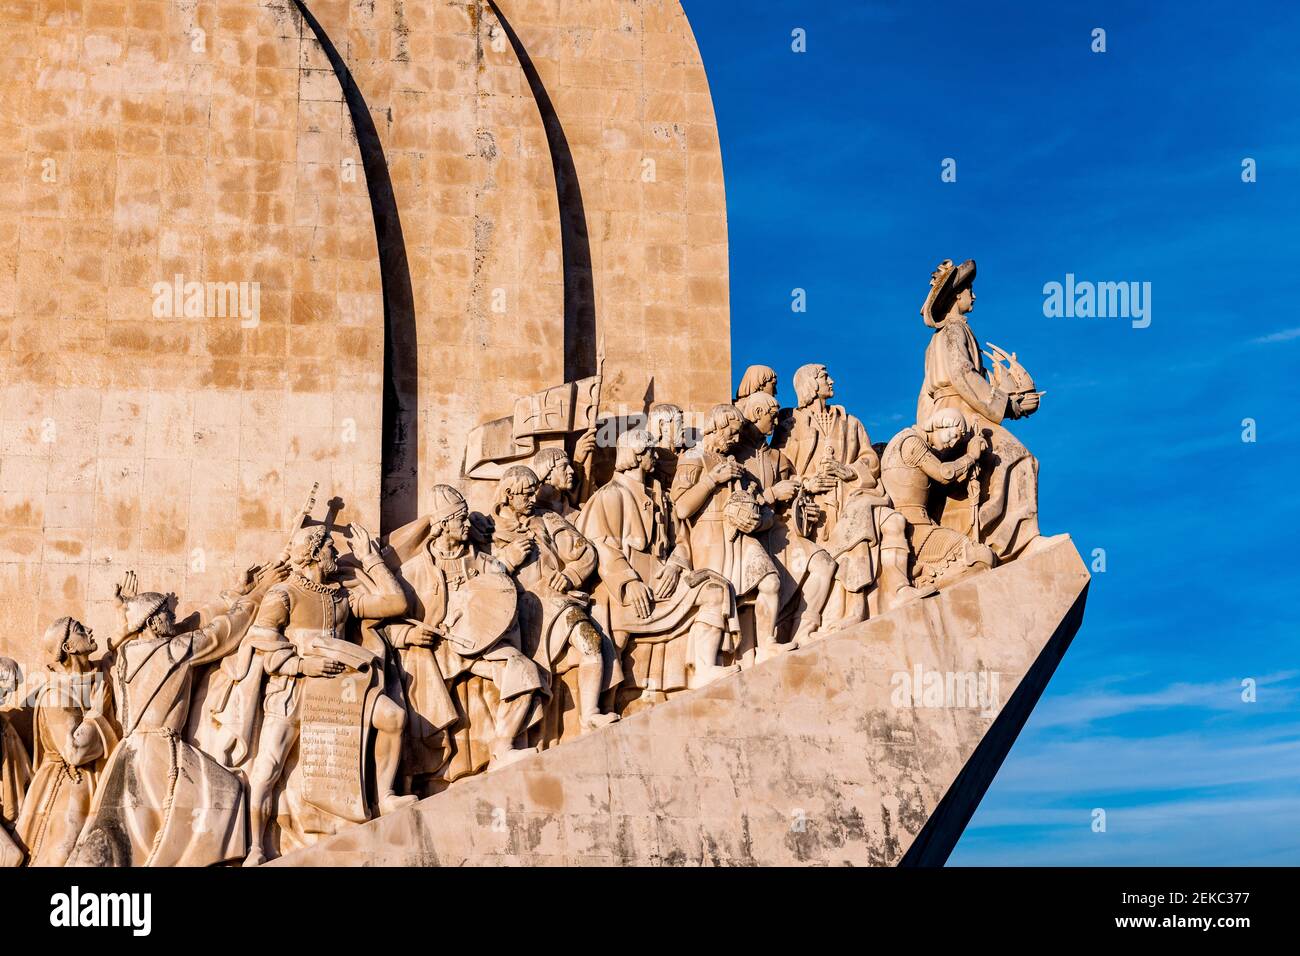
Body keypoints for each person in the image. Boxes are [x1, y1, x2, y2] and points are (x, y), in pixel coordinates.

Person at [68, 566, 283, 867]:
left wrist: (126, 616)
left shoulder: (126, 655)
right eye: (167, 614)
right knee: (226, 792)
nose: (172, 619)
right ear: (154, 621)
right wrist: (260, 593)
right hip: (160, 751)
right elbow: (224, 631)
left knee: (134, 830)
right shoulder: (175, 650)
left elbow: (185, 626)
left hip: (126, 753)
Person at [239, 524, 415, 866]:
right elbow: (262, 640)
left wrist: (370, 558)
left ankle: (385, 795)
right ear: (314, 551)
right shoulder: (283, 593)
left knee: (393, 717)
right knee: (268, 765)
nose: (335, 554)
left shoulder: (339, 597)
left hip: (337, 690)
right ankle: (257, 847)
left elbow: (395, 602)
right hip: (294, 689)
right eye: (330, 549)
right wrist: (303, 664)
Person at [385, 485, 547, 784]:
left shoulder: (482, 561)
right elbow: (384, 625)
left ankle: (503, 745)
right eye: (461, 519)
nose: (467, 524)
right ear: (444, 524)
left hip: (479, 648)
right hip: (438, 654)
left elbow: (500, 598)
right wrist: (408, 637)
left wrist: (508, 562)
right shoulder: (414, 571)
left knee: (525, 671)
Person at [577, 430, 739, 697]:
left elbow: (681, 541)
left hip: (664, 584)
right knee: (614, 642)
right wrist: (629, 583)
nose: (655, 455)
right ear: (637, 455)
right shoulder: (610, 495)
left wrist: (676, 565)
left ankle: (705, 667)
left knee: (715, 590)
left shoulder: (661, 498)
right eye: (650, 450)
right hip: (629, 591)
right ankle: (599, 704)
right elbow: (600, 544)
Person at [917, 258, 1044, 560]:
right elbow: (964, 377)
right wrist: (1009, 405)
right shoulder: (952, 331)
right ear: (955, 295)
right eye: (969, 291)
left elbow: (928, 392)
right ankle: (1020, 543)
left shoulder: (947, 336)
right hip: (959, 411)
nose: (973, 296)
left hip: (950, 412)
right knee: (1019, 458)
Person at [491, 465, 619, 739]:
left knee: (591, 640)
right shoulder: (486, 529)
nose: (531, 499)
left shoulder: (546, 519)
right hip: (515, 614)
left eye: (533, 493)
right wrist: (506, 561)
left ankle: (591, 714)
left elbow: (584, 551)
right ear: (508, 494)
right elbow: (478, 579)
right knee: (526, 678)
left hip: (554, 601)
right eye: (525, 495)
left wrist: (570, 575)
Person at [673, 404, 790, 663]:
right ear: (716, 427)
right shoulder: (694, 456)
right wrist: (712, 479)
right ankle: (712, 662)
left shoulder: (734, 462)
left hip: (740, 535)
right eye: (732, 432)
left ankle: (767, 643)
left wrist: (760, 518)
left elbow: (754, 500)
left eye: (739, 433)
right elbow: (681, 507)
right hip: (709, 536)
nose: (736, 439)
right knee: (721, 600)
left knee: (770, 581)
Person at [14, 618, 118, 867]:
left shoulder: (96, 676)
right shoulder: (55, 694)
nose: (90, 630)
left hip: (98, 777)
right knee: (61, 853)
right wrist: (96, 711)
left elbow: (120, 654)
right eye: (81, 630)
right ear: (68, 648)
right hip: (67, 785)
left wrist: (122, 612)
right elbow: (74, 752)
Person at [735, 391, 836, 647]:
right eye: (771, 416)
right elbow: (735, 506)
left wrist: (804, 505)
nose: (776, 423)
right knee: (771, 584)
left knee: (824, 564)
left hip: (780, 530)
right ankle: (767, 642)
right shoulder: (735, 455)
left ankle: (805, 629)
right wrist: (771, 494)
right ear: (757, 413)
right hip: (752, 536)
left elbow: (793, 491)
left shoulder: (777, 457)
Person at [880, 409, 995, 590]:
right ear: (940, 424)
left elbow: (944, 484)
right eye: (953, 434)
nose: (953, 442)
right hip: (915, 530)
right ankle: (925, 584)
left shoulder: (914, 443)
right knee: (980, 556)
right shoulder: (912, 442)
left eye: (958, 439)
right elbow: (945, 473)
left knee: (980, 557)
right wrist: (971, 456)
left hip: (921, 526)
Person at [0, 657, 31, 867]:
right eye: (3, 690)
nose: (4, 697)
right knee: (12, 857)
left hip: (11, 805)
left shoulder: (5, 725)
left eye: (7, 692)